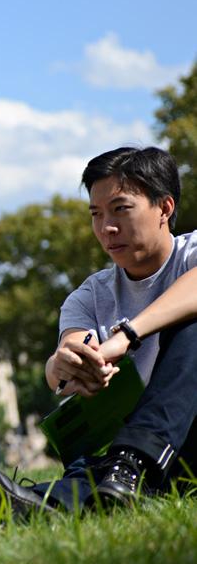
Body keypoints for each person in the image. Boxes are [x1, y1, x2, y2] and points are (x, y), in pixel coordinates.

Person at [41, 146, 196, 507]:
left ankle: (135, 462)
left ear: (165, 208)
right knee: (77, 487)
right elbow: (69, 351)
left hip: (177, 442)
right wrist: (64, 366)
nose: (107, 228)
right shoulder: (89, 296)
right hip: (125, 463)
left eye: (121, 209)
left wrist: (127, 336)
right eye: (96, 214)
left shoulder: (191, 254)